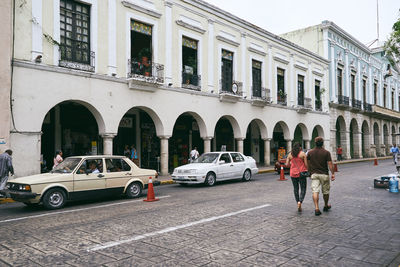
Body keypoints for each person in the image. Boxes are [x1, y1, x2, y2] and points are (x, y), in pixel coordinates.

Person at [307, 137, 335, 216]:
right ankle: (326, 205)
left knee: (315, 191)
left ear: (315, 143)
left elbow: (308, 164)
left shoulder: (310, 152)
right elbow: (330, 164)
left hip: (314, 174)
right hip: (324, 174)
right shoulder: (326, 152)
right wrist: (333, 173)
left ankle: (316, 208)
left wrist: (309, 172)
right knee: (326, 191)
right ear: (322, 143)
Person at [286, 142, 308, 212]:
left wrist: (291, 164)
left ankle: (297, 201)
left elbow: (287, 165)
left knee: (295, 189)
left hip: (293, 174)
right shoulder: (302, 154)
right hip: (301, 173)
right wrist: (308, 170)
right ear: (300, 147)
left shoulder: (290, 154)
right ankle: (300, 202)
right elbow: (306, 164)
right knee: (303, 188)